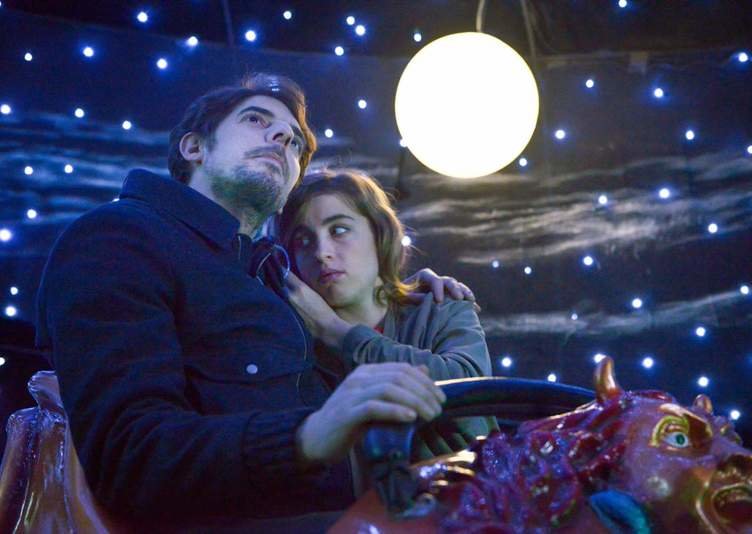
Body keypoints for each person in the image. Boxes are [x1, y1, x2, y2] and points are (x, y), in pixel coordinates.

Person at [34, 73, 472, 530]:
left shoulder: (277, 280)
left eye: (295, 143)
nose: (283, 137)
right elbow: (130, 456)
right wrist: (306, 436)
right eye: (256, 119)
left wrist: (400, 290)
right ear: (194, 148)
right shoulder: (118, 237)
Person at [276, 169, 495, 468]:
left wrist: (337, 332)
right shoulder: (295, 345)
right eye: (303, 240)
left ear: (379, 235)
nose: (321, 252)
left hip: (468, 490)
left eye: (339, 230)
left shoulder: (439, 306)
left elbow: (469, 388)